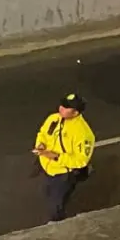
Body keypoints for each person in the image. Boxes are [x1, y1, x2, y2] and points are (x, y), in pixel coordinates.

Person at [32, 93, 95, 223]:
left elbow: (81, 160)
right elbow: (43, 133)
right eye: (63, 104)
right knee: (48, 193)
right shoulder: (54, 118)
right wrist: (41, 144)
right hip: (48, 168)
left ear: (76, 112)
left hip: (63, 174)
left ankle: (58, 224)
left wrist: (55, 157)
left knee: (55, 205)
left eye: (66, 107)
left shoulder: (83, 133)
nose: (61, 108)